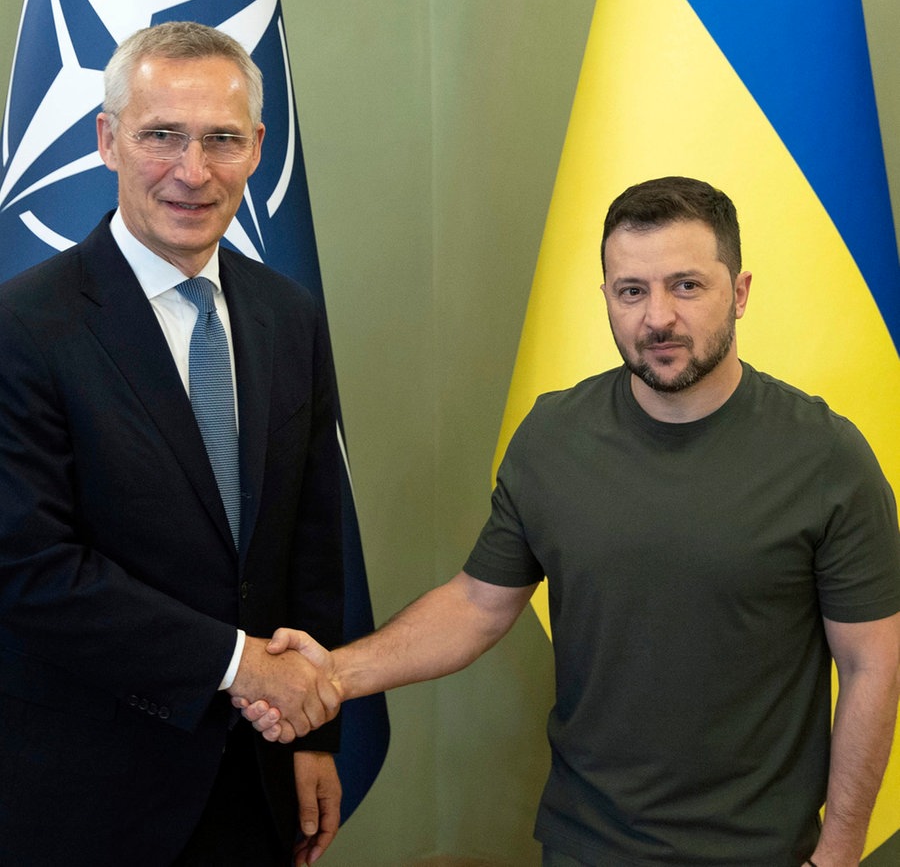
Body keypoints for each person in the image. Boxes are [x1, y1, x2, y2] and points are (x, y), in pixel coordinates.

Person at [238, 177, 900, 867]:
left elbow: (872, 664)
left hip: (765, 851)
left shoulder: (827, 457)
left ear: (739, 293)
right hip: (587, 846)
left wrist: (840, 851)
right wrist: (334, 674)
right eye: (632, 290)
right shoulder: (553, 437)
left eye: (687, 286)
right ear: (608, 297)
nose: (658, 317)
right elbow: (475, 606)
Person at [0, 22, 345, 866]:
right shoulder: (22, 328)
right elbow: (29, 569)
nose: (193, 172)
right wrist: (240, 666)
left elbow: (310, 537)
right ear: (107, 140)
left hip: (258, 781)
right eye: (162, 136)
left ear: (259, 149)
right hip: (87, 796)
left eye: (222, 139)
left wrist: (314, 732)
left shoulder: (288, 315)